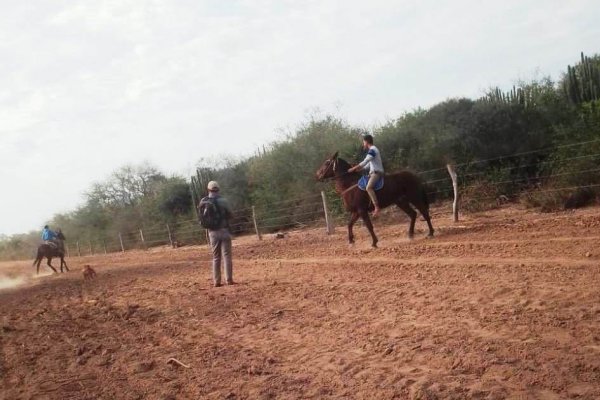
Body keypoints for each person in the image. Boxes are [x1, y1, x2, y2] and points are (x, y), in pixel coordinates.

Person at [202, 181, 234, 287]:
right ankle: (229, 280)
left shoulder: (204, 201)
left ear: (208, 189)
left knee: (216, 257)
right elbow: (231, 214)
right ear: (218, 189)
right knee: (227, 256)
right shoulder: (223, 201)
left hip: (212, 232)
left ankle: (217, 281)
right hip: (224, 230)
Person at [348, 134, 385, 217]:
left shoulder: (372, 150)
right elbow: (368, 165)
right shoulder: (372, 150)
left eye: (363, 142)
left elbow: (365, 161)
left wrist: (353, 169)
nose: (363, 144)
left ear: (367, 141)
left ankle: (377, 207)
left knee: (368, 187)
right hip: (373, 172)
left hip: (377, 173)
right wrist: (360, 169)